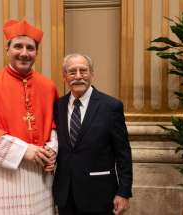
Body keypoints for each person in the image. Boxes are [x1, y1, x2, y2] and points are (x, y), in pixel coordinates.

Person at [0, 19, 58, 215]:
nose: (24, 53)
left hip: (37, 178)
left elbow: (55, 127)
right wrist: (24, 150)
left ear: (36, 53)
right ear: (7, 49)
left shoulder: (48, 87)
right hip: (1, 179)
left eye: (30, 48)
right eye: (18, 46)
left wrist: (51, 151)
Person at [53, 53, 133, 215]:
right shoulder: (57, 107)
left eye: (83, 71)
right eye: (72, 72)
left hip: (99, 194)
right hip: (65, 195)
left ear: (92, 74)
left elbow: (123, 154)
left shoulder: (111, 107)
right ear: (64, 76)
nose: (78, 76)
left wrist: (123, 192)